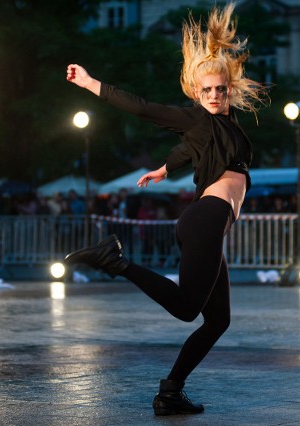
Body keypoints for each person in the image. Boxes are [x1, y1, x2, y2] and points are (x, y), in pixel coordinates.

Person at [63, 3, 266, 416]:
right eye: (206, 90)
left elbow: (191, 149)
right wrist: (89, 84)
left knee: (217, 321)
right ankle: (114, 262)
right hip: (205, 220)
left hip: (210, 224)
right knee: (187, 308)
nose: (213, 96)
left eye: (220, 90)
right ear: (196, 92)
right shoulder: (196, 118)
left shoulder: (222, 127)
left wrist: (164, 167)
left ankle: (170, 392)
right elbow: (141, 107)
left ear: (229, 89)